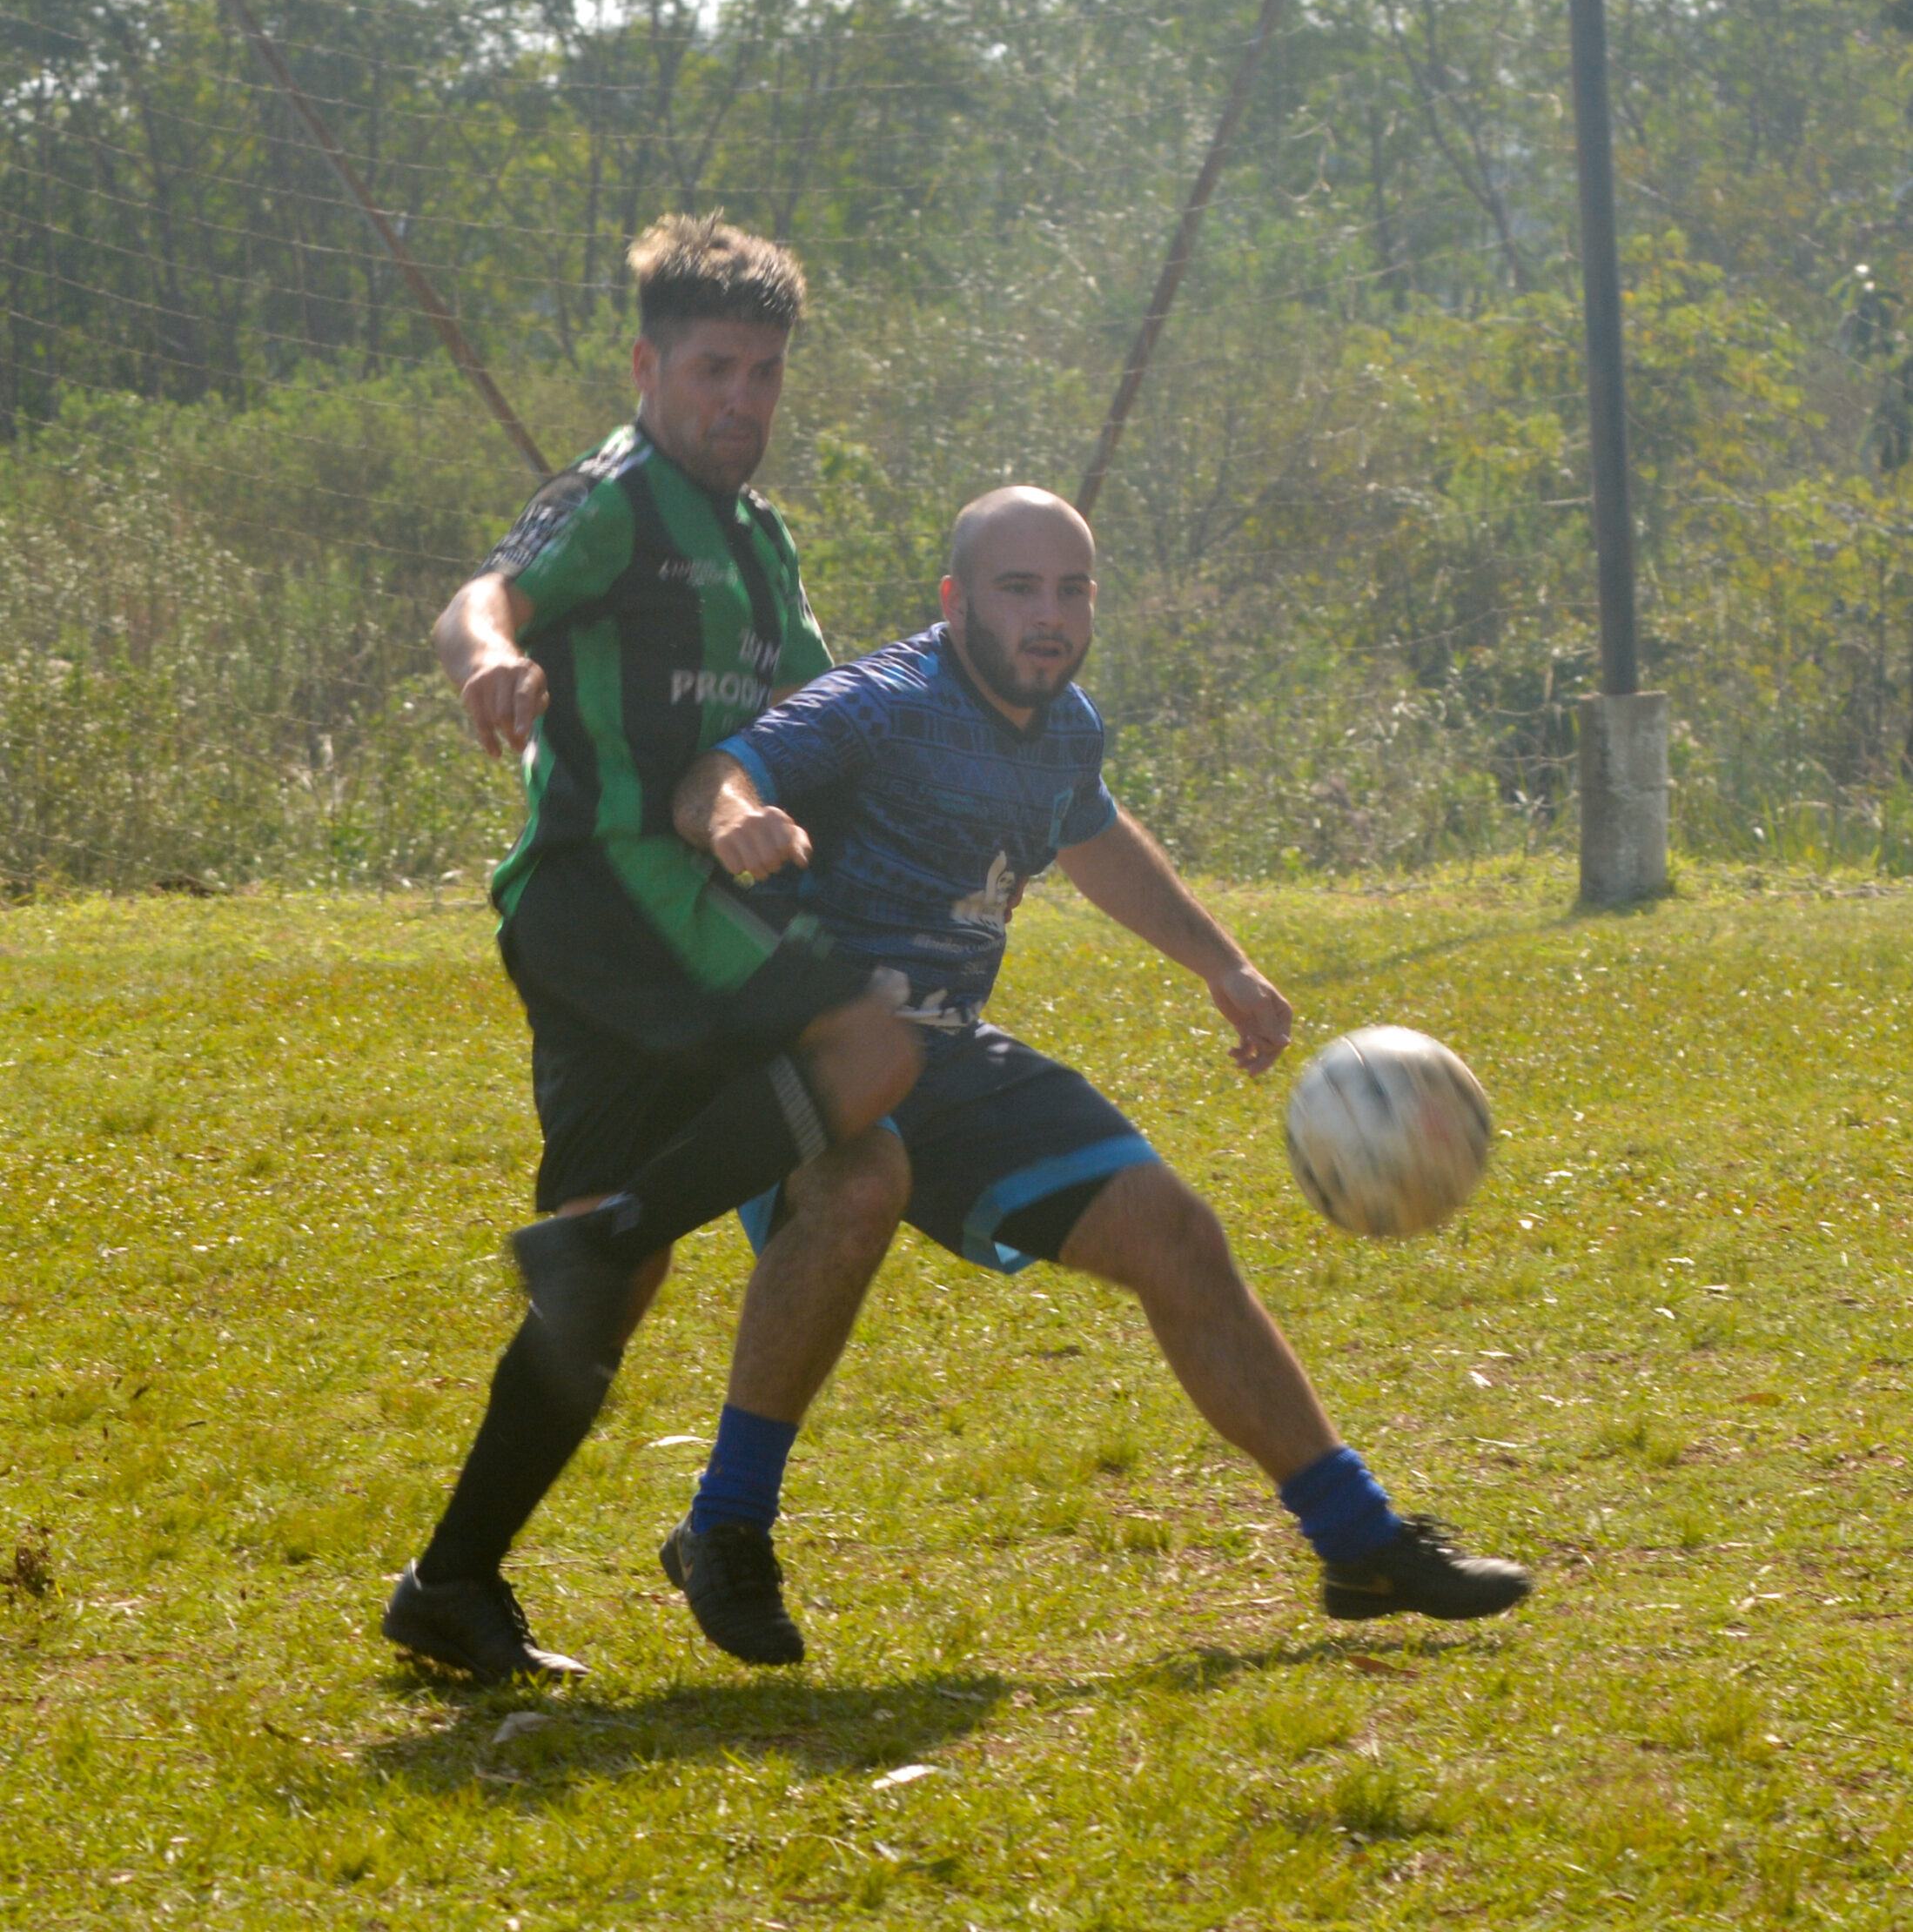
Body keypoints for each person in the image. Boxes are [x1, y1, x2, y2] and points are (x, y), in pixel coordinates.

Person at [665, 485, 1530, 1660]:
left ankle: (1360, 1544)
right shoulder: (883, 702)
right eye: (1018, 589)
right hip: (801, 1052)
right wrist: (736, 818)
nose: (1049, 616)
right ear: (956, 601)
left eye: (1071, 590)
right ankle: (723, 1528)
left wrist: (1223, 964)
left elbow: (1093, 832)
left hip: (943, 1052)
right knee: (856, 1188)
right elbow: (718, 773)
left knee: (1174, 1232)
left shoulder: (1064, 725)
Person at [380, 215, 919, 1682]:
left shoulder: (759, 538)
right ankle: (618, 1231)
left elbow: (815, 718)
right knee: (873, 1046)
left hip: (625, 928)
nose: (740, 400)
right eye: (711, 370)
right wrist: (492, 658)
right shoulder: (615, 497)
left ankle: (449, 1583)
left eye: (763, 374)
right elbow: (479, 597)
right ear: (646, 367)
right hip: (614, 896)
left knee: (598, 1299)